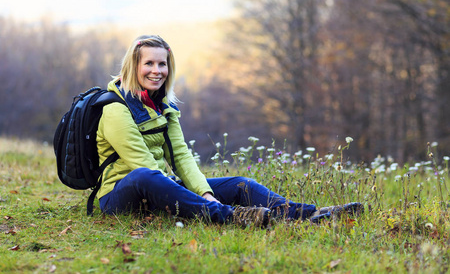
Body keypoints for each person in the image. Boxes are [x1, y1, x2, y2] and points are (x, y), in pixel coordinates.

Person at [96, 35, 363, 227]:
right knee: (147, 175)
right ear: (134, 66)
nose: (157, 71)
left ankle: (308, 214)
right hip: (120, 196)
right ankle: (230, 216)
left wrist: (202, 191)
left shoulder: (163, 106)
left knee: (239, 184)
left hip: (163, 185)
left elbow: (181, 156)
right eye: (149, 64)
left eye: (162, 64)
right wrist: (201, 199)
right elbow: (141, 163)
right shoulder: (116, 108)